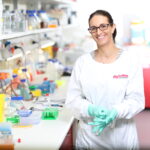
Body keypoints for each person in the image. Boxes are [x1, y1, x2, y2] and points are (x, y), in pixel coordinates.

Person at [65, 9, 145, 150]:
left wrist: (115, 111)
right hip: (89, 139)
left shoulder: (130, 61)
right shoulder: (82, 63)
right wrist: (90, 109)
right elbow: (72, 101)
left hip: (122, 139)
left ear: (113, 27)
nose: (99, 32)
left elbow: (137, 100)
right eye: (93, 28)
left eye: (103, 26)